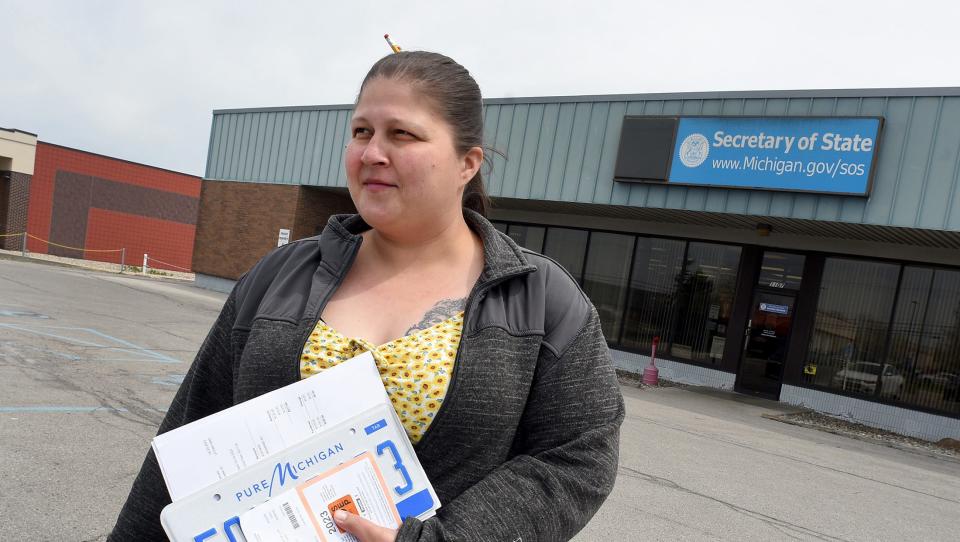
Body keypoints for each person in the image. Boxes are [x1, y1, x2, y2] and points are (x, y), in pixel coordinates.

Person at [109, 51, 624, 542]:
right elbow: (188, 436)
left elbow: (579, 455)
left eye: (402, 134)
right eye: (361, 132)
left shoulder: (540, 296)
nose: (372, 153)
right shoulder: (278, 276)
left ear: (467, 163)